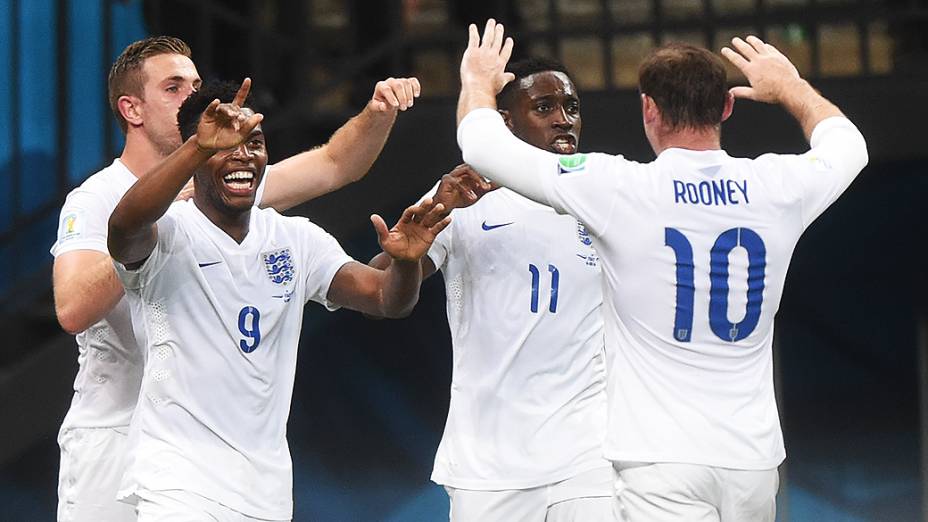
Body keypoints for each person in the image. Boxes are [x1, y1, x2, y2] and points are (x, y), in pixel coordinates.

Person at [455, 20, 868, 521]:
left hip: (662, 458)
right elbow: (849, 146)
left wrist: (477, 80)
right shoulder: (778, 184)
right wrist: (790, 87)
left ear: (649, 109)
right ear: (727, 107)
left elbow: (481, 146)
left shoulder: (620, 188)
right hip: (753, 457)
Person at [50, 36, 420, 521]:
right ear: (132, 109)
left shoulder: (226, 175)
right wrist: (170, 211)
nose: (194, 96)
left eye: (197, 84)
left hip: (210, 446)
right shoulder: (98, 198)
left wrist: (377, 109)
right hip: (114, 431)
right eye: (174, 87)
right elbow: (72, 308)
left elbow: (334, 164)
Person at [370, 57, 611, 521]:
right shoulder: (457, 196)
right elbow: (380, 291)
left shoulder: (603, 194)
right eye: (544, 107)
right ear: (505, 122)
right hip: (488, 463)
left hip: (589, 453)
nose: (563, 119)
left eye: (571, 106)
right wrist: (411, 250)